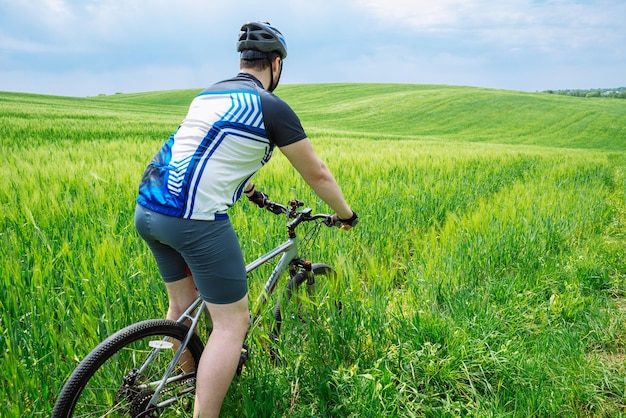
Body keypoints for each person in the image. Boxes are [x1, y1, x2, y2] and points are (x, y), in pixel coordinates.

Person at [133, 21, 358, 417]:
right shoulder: (271, 107)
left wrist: (252, 193)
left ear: (242, 60)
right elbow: (318, 173)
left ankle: (188, 383)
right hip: (194, 219)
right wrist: (346, 214)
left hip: (149, 209)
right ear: (276, 64)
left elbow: (213, 150)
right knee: (233, 322)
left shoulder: (209, 95)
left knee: (182, 306)